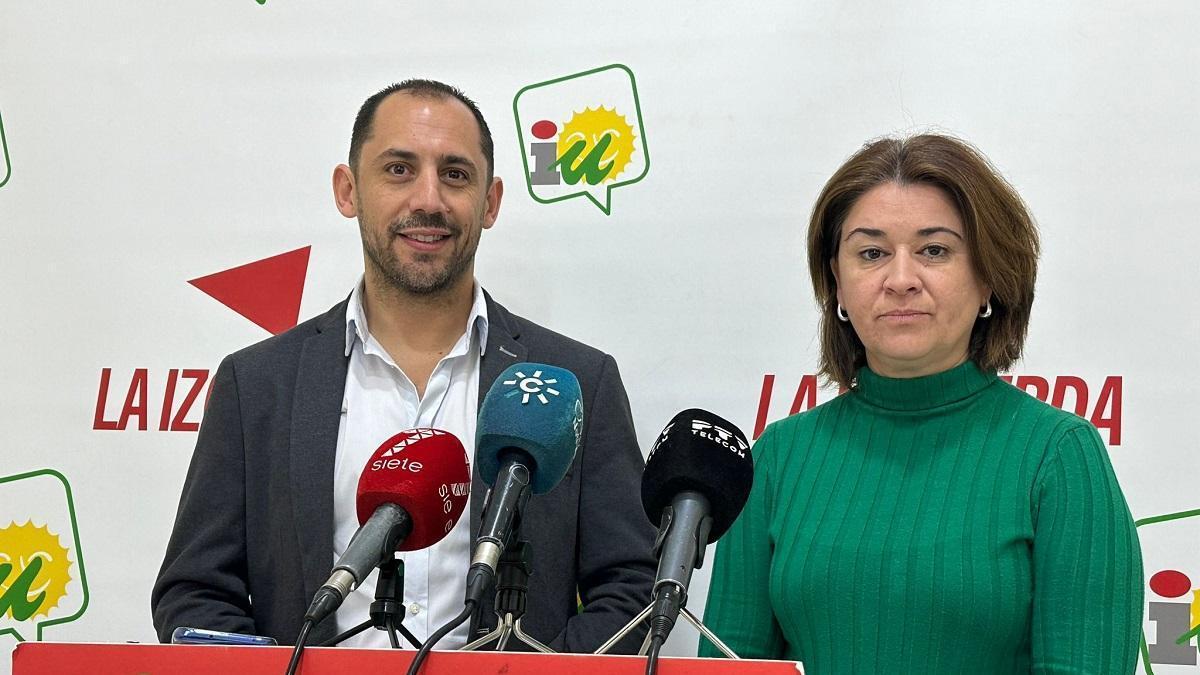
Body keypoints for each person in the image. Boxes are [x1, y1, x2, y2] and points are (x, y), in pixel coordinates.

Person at [151, 79, 656, 653]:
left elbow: (632, 588)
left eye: (455, 174)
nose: (428, 201)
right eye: (398, 169)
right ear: (348, 191)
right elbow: (193, 591)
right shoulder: (258, 384)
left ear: (490, 202)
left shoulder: (576, 382)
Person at [700, 134, 1142, 673]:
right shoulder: (776, 459)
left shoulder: (1059, 456)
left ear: (988, 280)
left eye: (935, 250)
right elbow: (728, 663)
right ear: (836, 283)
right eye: (872, 253)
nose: (901, 280)